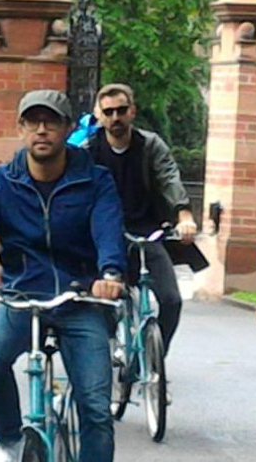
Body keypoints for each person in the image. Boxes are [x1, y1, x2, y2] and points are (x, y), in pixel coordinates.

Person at [0, 90, 126, 462]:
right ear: (21, 128)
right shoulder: (2, 182)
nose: (41, 130)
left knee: (94, 404)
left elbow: (108, 230)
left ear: (67, 128)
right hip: (21, 296)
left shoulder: (95, 180)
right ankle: (9, 438)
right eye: (32, 122)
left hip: (79, 299)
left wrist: (110, 272)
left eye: (51, 122)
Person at [82, 83, 197, 355]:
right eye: (108, 112)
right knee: (103, 302)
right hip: (105, 238)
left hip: (148, 235)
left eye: (121, 110)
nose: (115, 118)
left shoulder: (149, 145)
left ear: (132, 112)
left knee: (171, 301)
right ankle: (110, 349)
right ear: (99, 116)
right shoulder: (89, 150)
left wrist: (183, 215)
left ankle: (155, 359)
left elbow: (169, 177)